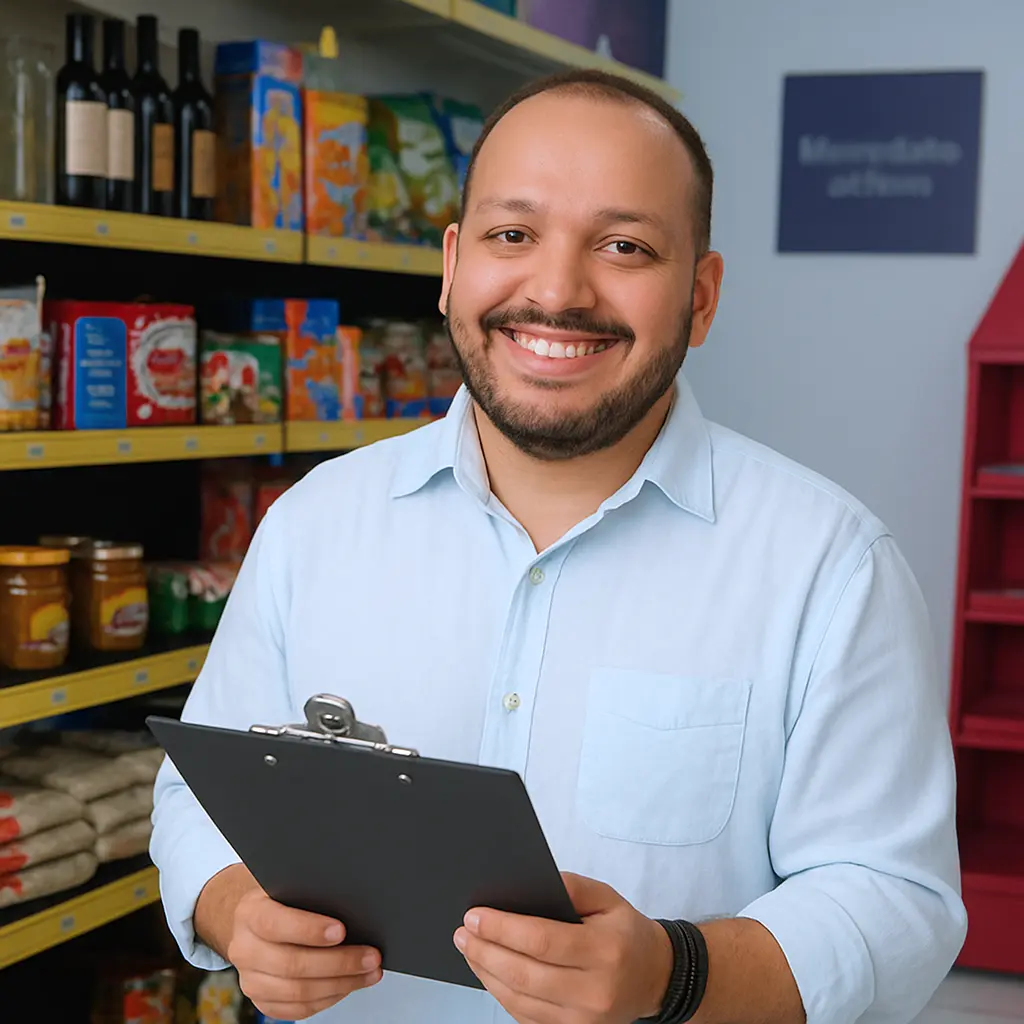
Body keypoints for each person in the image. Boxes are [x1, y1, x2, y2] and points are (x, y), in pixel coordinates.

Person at [151, 68, 967, 1024]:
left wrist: (676, 974)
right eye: (512, 235)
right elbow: (200, 793)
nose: (555, 291)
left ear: (701, 299)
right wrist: (238, 910)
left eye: (625, 246)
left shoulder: (832, 566)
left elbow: (892, 898)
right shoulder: (314, 524)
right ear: (452, 266)